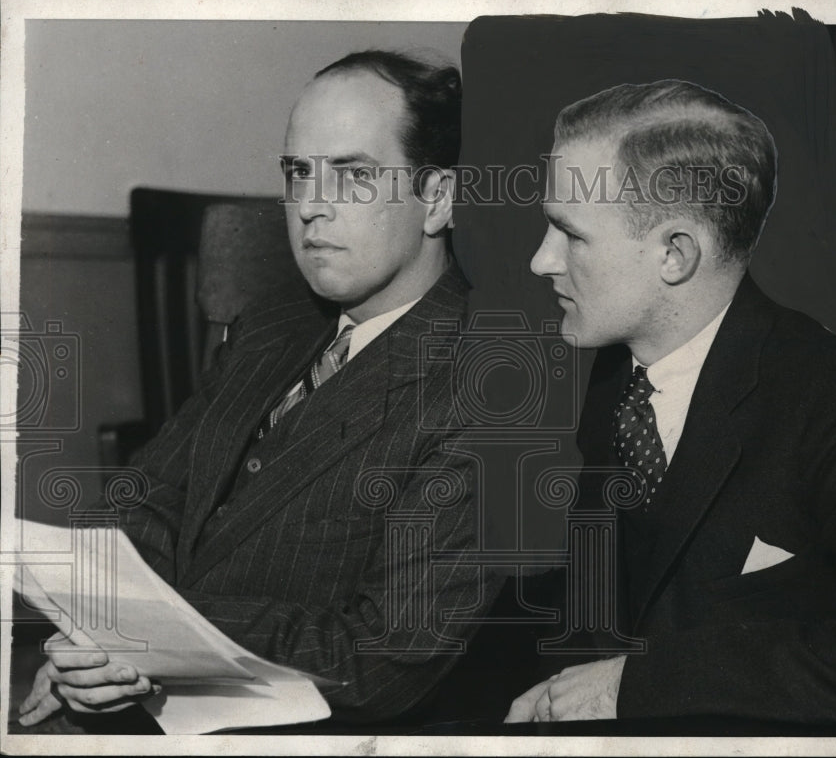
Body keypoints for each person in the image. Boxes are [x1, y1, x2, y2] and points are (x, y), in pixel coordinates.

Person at [19, 50, 501, 728]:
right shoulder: (272, 324)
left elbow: (385, 656)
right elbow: (151, 494)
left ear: (439, 200)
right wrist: (96, 629)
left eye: (353, 175)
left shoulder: (488, 384)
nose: (310, 207)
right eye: (298, 172)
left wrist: (148, 638)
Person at [506, 79, 836, 731]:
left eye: (568, 233)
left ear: (675, 254)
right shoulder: (618, 371)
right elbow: (611, 600)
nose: (539, 259)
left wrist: (641, 683)